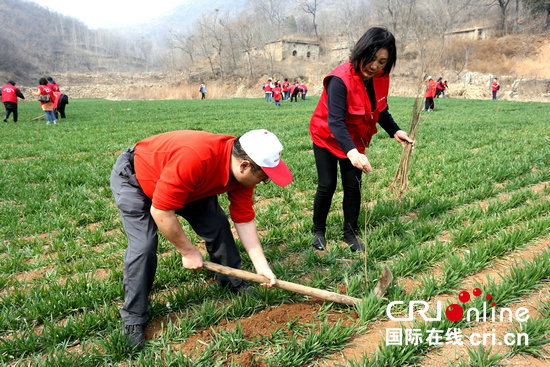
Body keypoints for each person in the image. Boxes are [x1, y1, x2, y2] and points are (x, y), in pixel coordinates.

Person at [110, 129, 292, 350]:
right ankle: (134, 317)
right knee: (144, 245)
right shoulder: (197, 158)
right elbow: (161, 212)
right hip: (137, 179)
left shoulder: (242, 171)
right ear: (244, 165)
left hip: (190, 186)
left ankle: (233, 280)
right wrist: (187, 251)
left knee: (216, 224)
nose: (264, 182)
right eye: (263, 178)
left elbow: (244, 219)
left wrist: (261, 267)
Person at [309, 27, 415, 252]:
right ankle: (318, 230)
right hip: (326, 137)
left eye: (382, 61)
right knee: (327, 185)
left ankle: (350, 233)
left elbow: (380, 110)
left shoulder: (380, 79)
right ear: (361, 51)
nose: (375, 65)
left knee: (353, 187)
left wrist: (395, 130)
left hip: (354, 139)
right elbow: (335, 121)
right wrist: (353, 153)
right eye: (371, 57)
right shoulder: (340, 79)